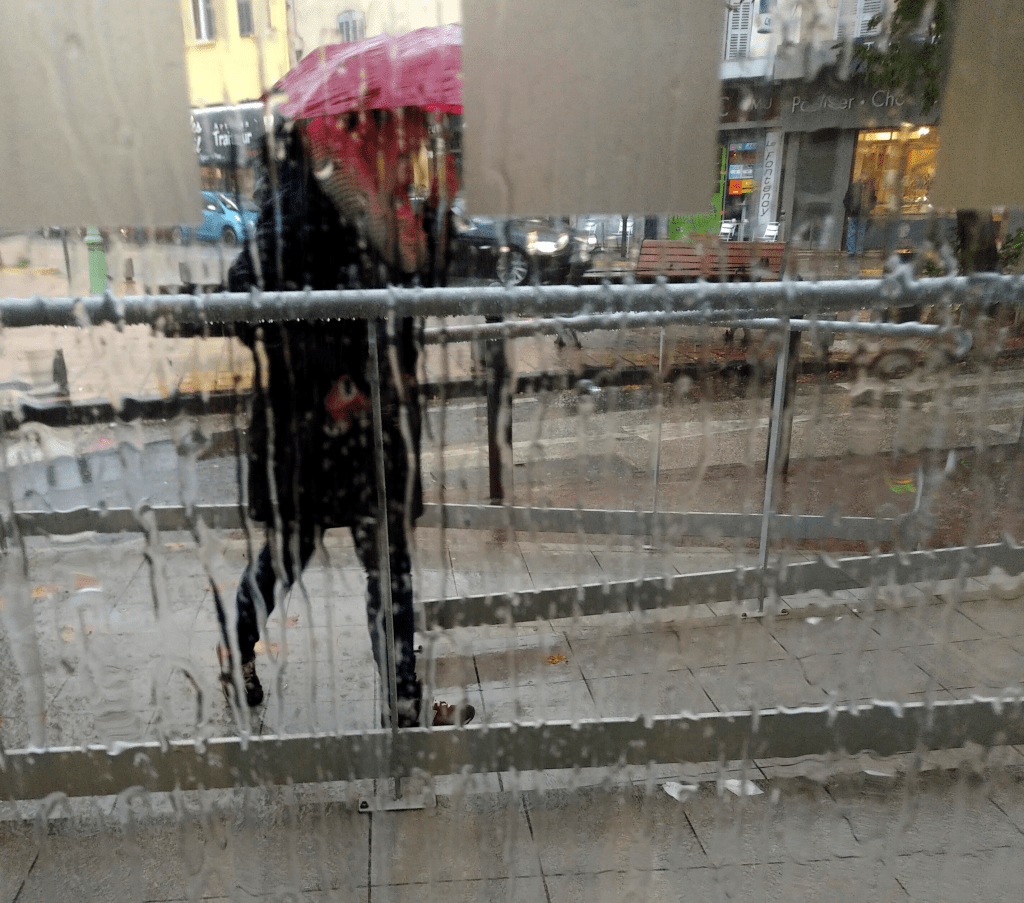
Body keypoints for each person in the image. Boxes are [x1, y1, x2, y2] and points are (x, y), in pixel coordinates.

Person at [217, 108, 473, 728]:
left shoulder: (387, 206)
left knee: (390, 563)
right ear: (367, 133)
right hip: (312, 428)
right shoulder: (304, 203)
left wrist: (434, 220)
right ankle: (236, 647)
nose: (412, 151)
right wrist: (331, 379)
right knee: (288, 554)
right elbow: (244, 297)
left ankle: (404, 700)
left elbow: (416, 292)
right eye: (404, 139)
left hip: (374, 423)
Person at [843, 179, 876, 256]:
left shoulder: (864, 188)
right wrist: (849, 212)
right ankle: (855, 251)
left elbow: (873, 200)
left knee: (856, 233)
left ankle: (854, 251)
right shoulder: (859, 188)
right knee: (858, 233)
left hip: (860, 213)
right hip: (857, 213)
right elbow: (846, 200)